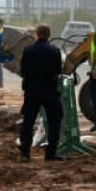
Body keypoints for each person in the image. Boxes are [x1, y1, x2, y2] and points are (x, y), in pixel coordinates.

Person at [18, 24, 64, 162]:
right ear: (49, 35)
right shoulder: (55, 50)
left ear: (36, 34)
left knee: (28, 121)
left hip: (32, 90)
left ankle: (25, 153)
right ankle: (51, 153)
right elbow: (57, 71)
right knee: (55, 120)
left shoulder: (28, 50)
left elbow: (23, 70)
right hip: (49, 90)